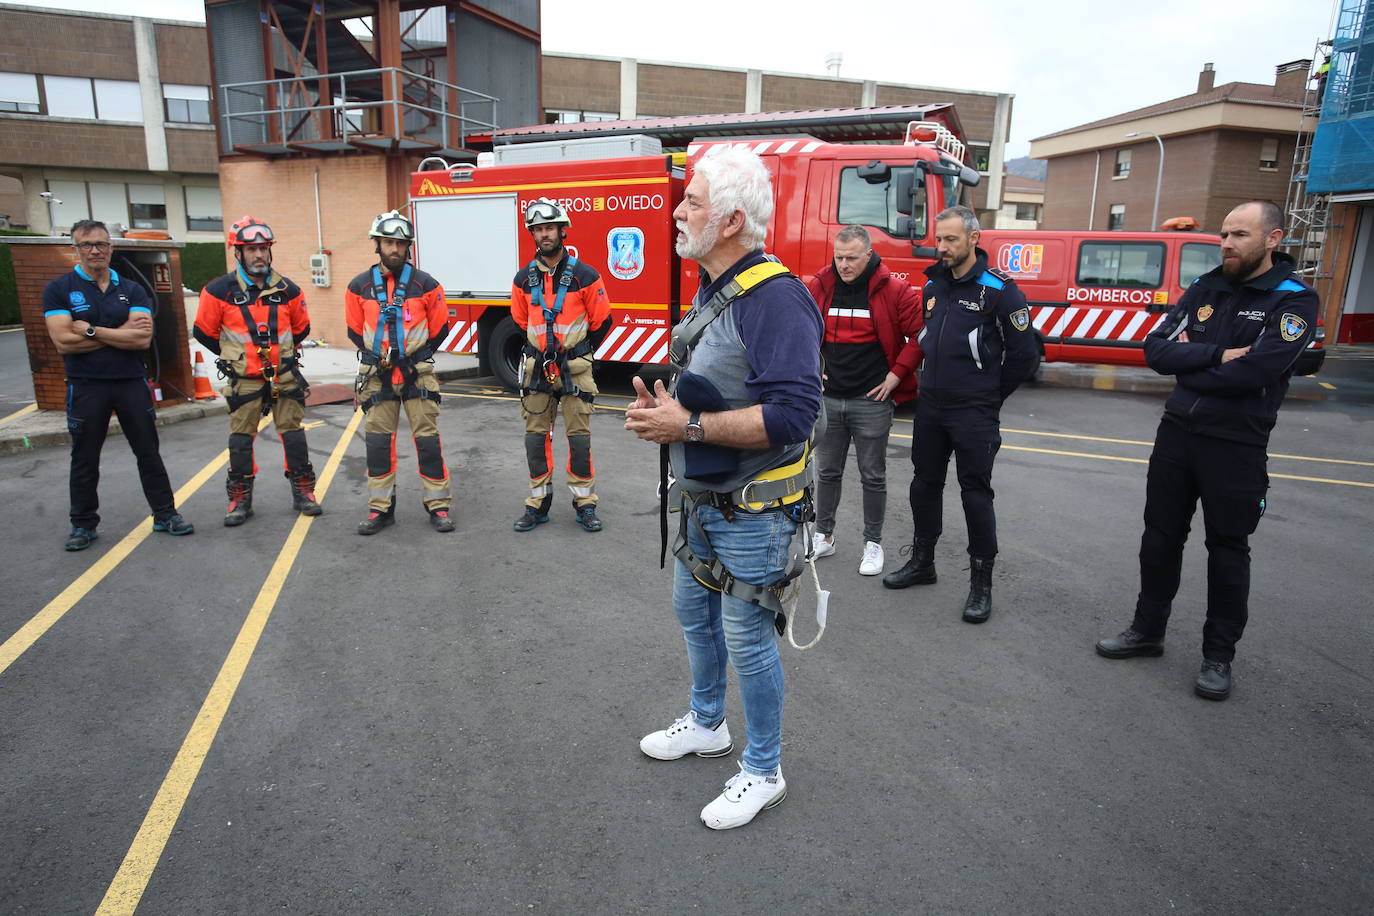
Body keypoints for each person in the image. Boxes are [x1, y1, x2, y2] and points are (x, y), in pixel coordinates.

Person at [625, 146, 822, 830]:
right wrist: (668, 417)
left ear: (733, 219)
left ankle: (763, 770)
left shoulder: (777, 298)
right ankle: (708, 723)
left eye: (694, 202)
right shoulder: (719, 287)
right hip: (706, 503)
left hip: (756, 513)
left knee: (747, 637)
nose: (678, 212)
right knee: (693, 614)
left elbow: (794, 415)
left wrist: (692, 424)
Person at [1096, 200, 1319, 701]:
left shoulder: (1294, 299)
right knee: (1159, 539)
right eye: (1224, 234)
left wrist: (1192, 367)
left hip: (1236, 445)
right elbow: (1155, 350)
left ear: (1273, 239)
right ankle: (1146, 631)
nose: (1227, 244)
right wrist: (1217, 354)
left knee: (1227, 551)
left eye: (1240, 235)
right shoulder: (1206, 287)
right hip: (1177, 434)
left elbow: (1260, 370)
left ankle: (1218, 656)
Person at [882, 205, 1037, 625]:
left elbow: (1025, 354)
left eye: (951, 239)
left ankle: (981, 585)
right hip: (932, 406)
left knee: (975, 494)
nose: (943, 247)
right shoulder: (933, 285)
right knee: (924, 484)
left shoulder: (1001, 290)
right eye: (940, 239)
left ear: (974, 238)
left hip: (974, 410)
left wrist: (990, 396)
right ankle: (922, 562)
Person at [43, 219, 193, 550]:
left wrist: (93, 330)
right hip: (86, 385)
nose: (95, 250)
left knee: (148, 453)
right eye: (86, 245)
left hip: (130, 383)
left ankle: (165, 515)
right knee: (84, 458)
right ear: (76, 249)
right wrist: (119, 332)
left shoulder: (132, 289)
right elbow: (64, 343)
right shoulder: (59, 289)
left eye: (101, 244)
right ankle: (83, 525)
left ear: (111, 247)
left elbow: (141, 339)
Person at [806, 224, 923, 576]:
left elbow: (920, 335)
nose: (844, 265)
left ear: (868, 255)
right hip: (828, 399)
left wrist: (896, 375)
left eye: (852, 258)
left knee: (873, 475)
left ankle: (873, 544)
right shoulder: (820, 285)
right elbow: (801, 328)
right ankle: (824, 536)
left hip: (871, 400)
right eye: (839, 257)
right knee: (826, 472)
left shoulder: (896, 290)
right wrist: (813, 367)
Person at [194, 216, 320, 526]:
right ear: (238, 253)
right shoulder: (217, 291)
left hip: (284, 376)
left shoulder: (289, 290)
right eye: (251, 250)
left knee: (293, 435)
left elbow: (301, 329)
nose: (259, 255)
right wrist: (235, 357)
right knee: (240, 439)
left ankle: (303, 492)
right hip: (244, 379)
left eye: (263, 248)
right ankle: (240, 499)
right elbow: (203, 332)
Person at [344, 209, 454, 535]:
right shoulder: (358, 286)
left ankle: (438, 506)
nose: (394, 249)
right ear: (377, 244)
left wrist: (415, 357)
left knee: (428, 443)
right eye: (388, 242)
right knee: (378, 445)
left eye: (400, 243)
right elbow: (354, 331)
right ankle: (380, 510)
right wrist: (380, 358)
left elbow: (440, 328)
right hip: (377, 376)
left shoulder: (427, 285)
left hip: (417, 374)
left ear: (409, 247)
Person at [509, 198, 614, 533]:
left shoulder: (586, 275)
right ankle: (538, 504)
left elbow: (603, 320)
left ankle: (585, 504)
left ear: (561, 230)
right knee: (535, 439)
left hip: (575, 371)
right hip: (538, 369)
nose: (544, 235)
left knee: (579, 439)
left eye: (549, 228)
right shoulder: (523, 279)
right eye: (538, 229)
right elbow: (520, 321)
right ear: (533, 234)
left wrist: (579, 353)